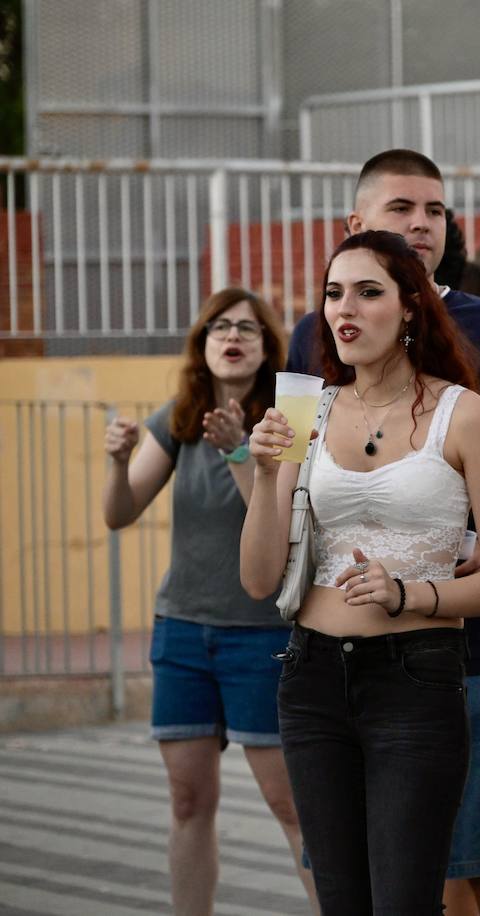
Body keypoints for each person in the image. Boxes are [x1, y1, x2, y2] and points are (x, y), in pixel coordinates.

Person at [283, 150, 480, 916]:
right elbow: (285, 520)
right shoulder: (311, 347)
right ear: (356, 224)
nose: (423, 224)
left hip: (461, 651)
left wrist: (431, 582)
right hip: (320, 666)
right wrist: (256, 466)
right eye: (403, 209)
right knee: (361, 887)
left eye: (435, 210)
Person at [102, 288, 317, 915]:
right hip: (184, 633)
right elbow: (119, 513)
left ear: (267, 348)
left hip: (260, 636)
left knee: (290, 806)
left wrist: (238, 451)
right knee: (188, 802)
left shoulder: (285, 420)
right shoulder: (179, 416)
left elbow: (276, 519)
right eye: (220, 327)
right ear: (202, 344)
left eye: (248, 329)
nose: (233, 337)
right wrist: (117, 464)